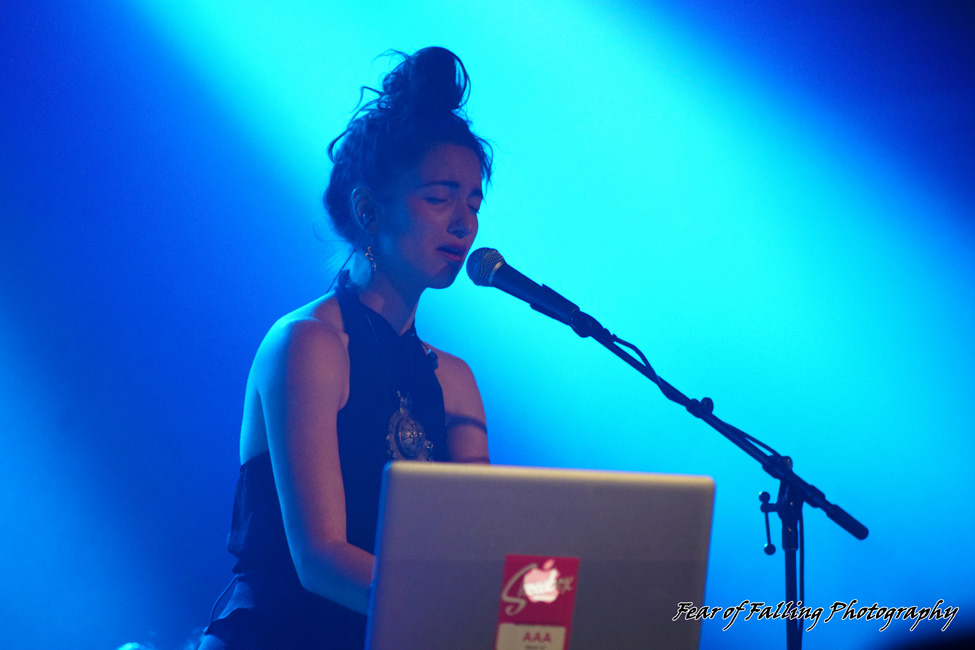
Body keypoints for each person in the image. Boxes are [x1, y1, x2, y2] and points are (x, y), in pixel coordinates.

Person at [199, 46, 492, 649]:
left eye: (473, 202)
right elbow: (321, 558)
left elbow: (472, 547)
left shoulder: (455, 380)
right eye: (440, 198)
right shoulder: (307, 344)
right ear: (367, 210)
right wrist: (464, 613)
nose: (465, 224)